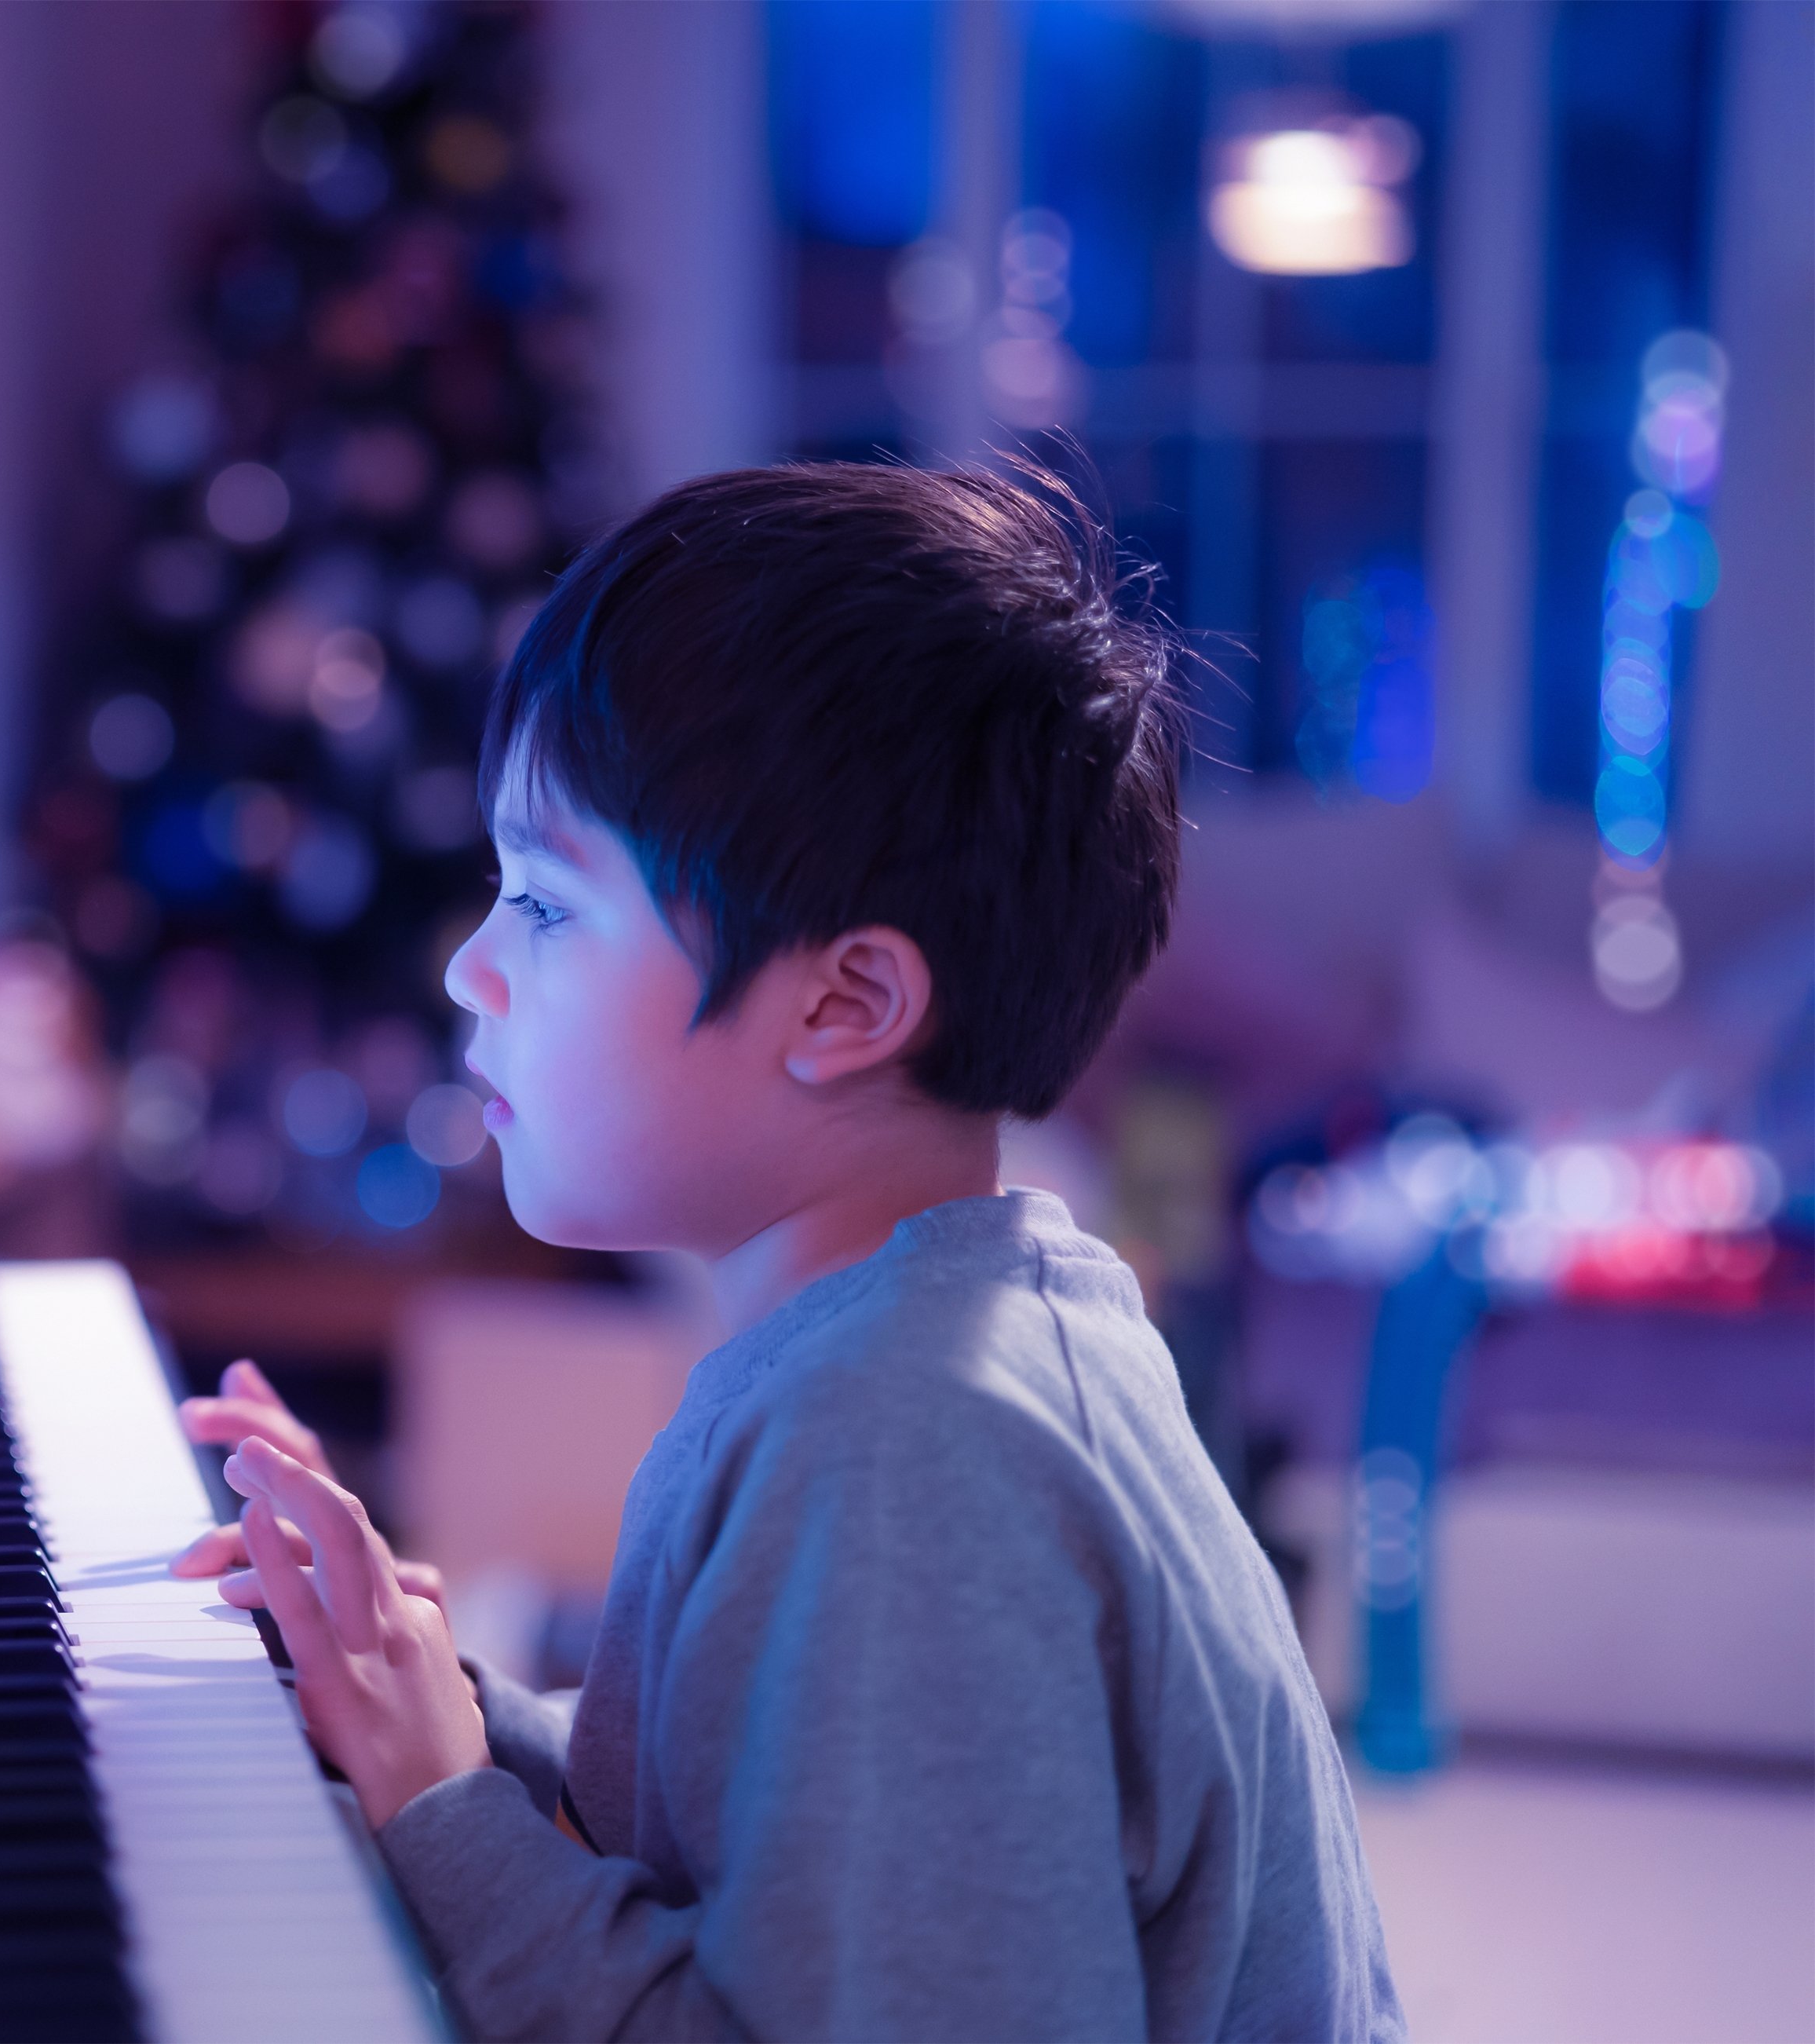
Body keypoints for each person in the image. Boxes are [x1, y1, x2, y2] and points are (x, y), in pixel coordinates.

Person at [172, 463, 1400, 2042]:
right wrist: (450, 1705)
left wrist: (437, 1806)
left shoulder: (910, 1450)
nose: (473, 968)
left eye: (544, 903)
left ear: (843, 1006)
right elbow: (757, 1825)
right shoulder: (929, 1343)